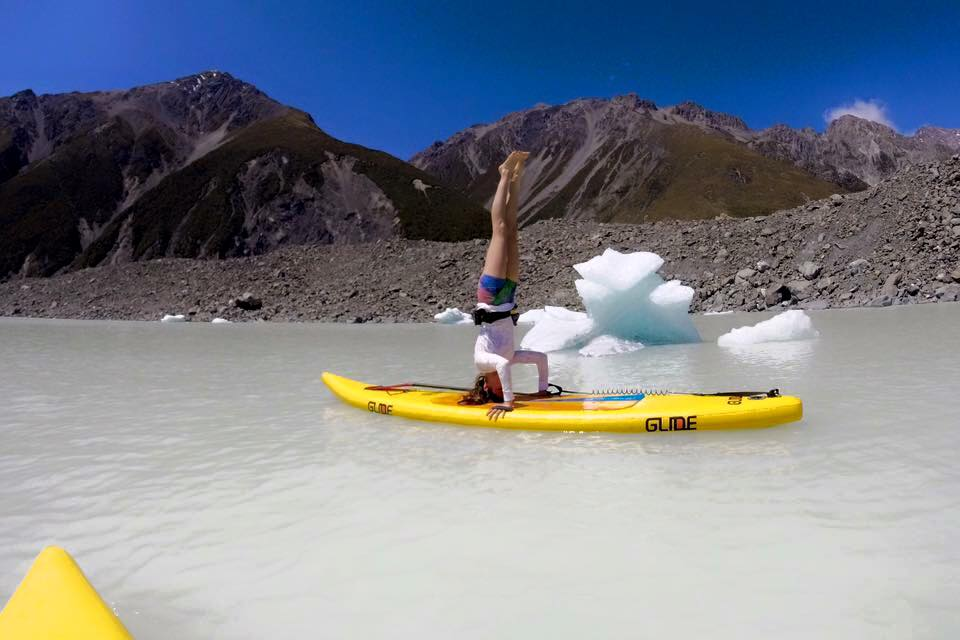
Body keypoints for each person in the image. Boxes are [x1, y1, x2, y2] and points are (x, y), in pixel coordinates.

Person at [460, 151, 550, 420]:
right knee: (511, 229)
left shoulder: (483, 362)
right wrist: (541, 391)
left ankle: (502, 175)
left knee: (499, 229)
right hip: (508, 295)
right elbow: (542, 359)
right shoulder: (508, 360)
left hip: (490, 295)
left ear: (487, 386)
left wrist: (509, 402)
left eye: (496, 392)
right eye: (502, 392)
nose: (501, 389)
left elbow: (499, 364)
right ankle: (515, 177)